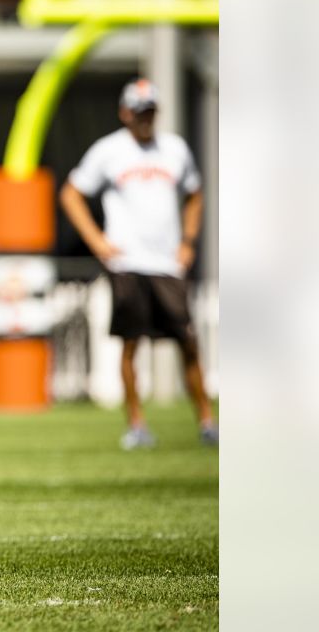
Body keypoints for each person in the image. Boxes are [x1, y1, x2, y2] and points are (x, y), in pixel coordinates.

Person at [60, 78, 217, 450]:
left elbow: (195, 195)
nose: (145, 118)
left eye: (151, 111)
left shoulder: (175, 149)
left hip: (166, 263)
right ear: (124, 113)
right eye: (139, 111)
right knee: (131, 344)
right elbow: (71, 194)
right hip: (127, 262)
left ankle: (207, 421)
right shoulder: (109, 151)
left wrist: (188, 242)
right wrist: (97, 241)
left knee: (188, 341)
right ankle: (136, 424)